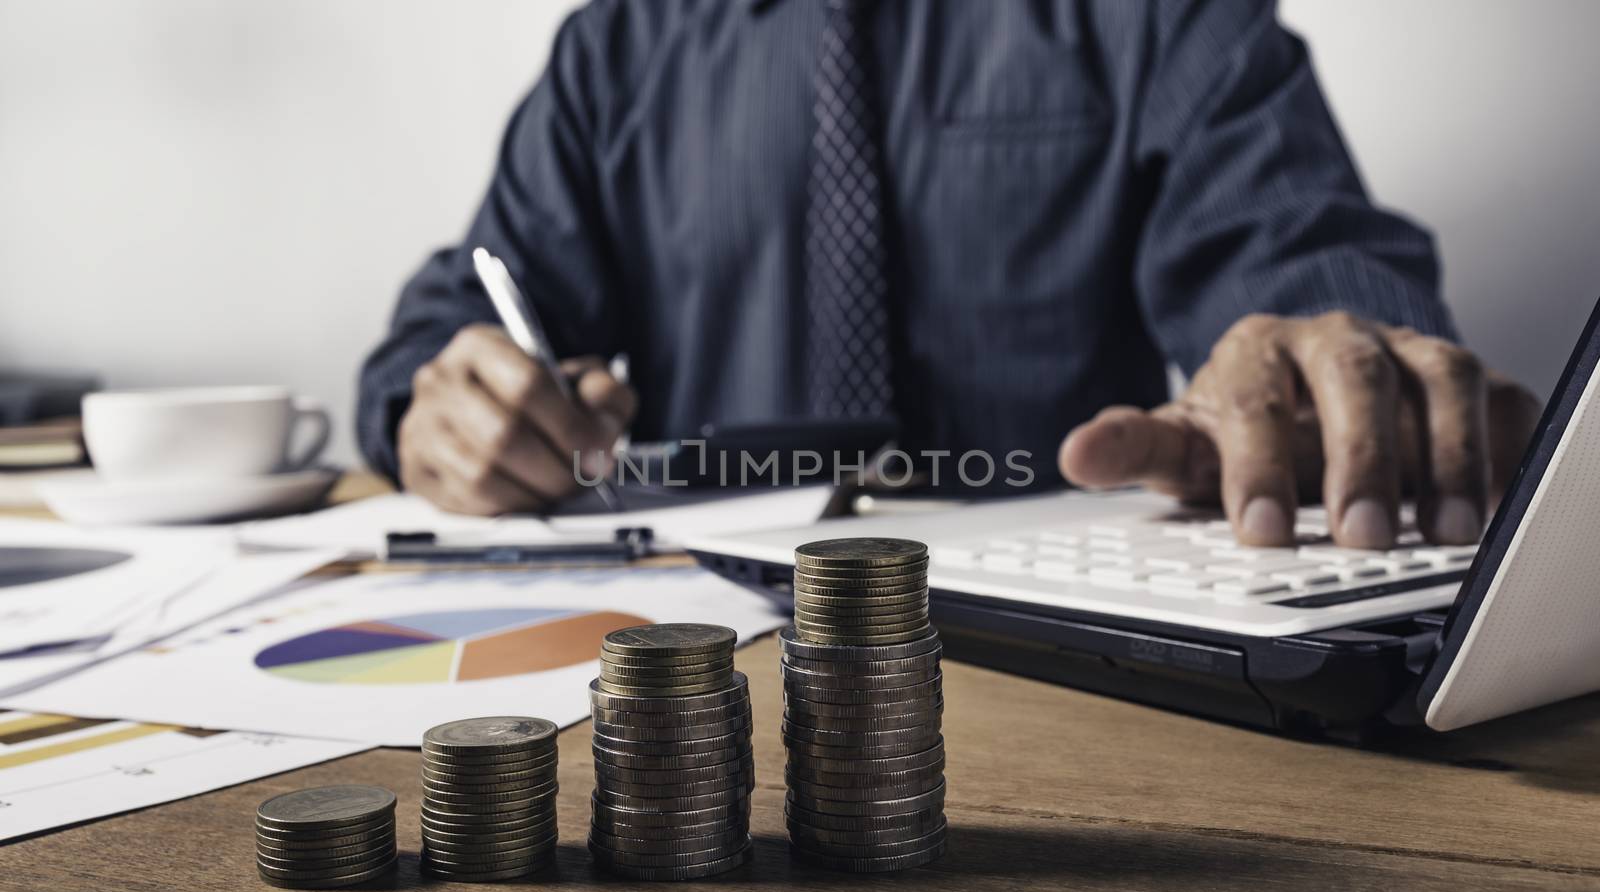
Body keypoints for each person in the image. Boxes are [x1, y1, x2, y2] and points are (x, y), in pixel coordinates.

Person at [357, 0, 1538, 549]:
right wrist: (437, 401)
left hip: (1068, 644)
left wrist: (1338, 357)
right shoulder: (618, 47)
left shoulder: (1158, 17)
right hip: (691, 649)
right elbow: (467, 305)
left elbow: (1303, 266)